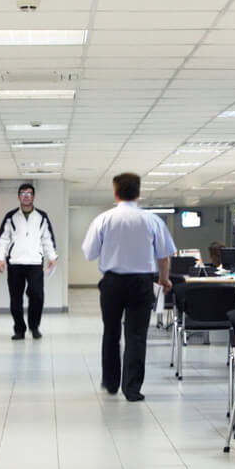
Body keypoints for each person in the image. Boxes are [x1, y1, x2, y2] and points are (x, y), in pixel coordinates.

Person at [82, 172, 174, 402]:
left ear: (115, 193)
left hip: (112, 282)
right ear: (139, 193)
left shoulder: (103, 219)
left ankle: (111, 382)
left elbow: (89, 252)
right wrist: (164, 279)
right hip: (142, 283)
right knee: (136, 335)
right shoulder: (152, 220)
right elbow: (164, 256)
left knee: (111, 333)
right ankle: (132, 388)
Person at [0, 181, 58, 340]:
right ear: (18, 197)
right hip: (15, 263)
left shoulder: (42, 216)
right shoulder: (11, 217)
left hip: (35, 262)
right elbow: (3, 239)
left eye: (29, 193)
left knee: (37, 295)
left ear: (33, 196)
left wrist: (52, 257)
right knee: (16, 299)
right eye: (23, 194)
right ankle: (19, 330)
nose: (26, 196)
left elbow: (47, 238)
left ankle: (34, 326)